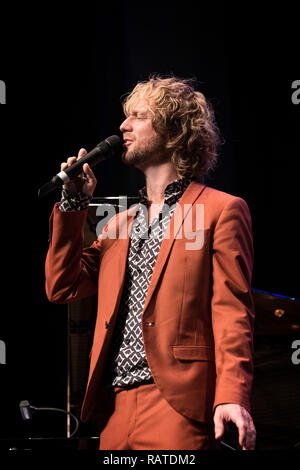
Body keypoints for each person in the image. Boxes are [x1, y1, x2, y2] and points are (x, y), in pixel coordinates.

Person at [45, 75, 256, 450]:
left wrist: (232, 396)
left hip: (177, 403)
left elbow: (232, 311)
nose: (123, 126)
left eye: (138, 116)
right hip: (114, 408)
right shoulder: (120, 223)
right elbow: (63, 286)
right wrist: (73, 205)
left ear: (174, 131)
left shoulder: (220, 210)